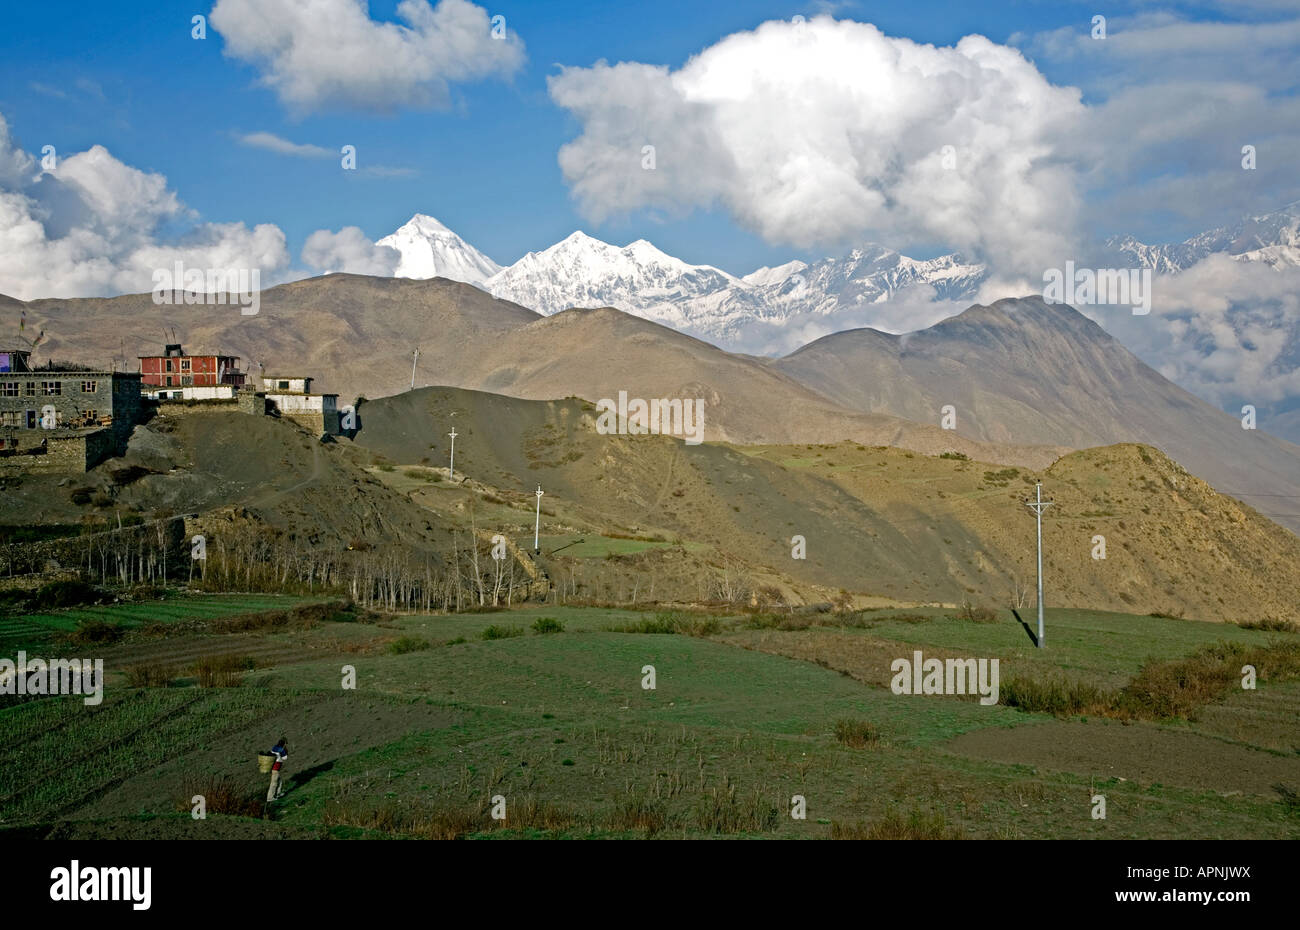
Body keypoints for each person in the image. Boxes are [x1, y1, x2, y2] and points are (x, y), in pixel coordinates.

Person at [266, 737, 288, 802]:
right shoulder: (281, 749)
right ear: (284, 744)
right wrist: (285, 750)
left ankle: (278, 793)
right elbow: (285, 758)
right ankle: (270, 797)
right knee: (274, 783)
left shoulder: (275, 747)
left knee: (279, 781)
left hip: (273, 768)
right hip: (276, 769)